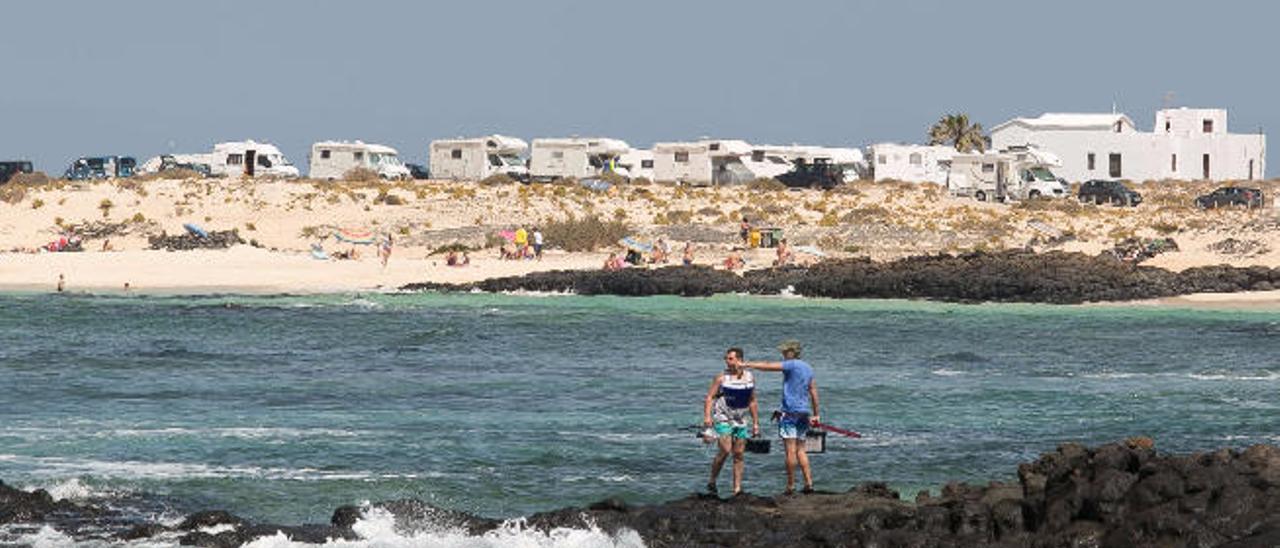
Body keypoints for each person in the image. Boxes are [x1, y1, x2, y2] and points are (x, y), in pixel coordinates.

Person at [743, 340, 820, 495]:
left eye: (784, 352)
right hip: (804, 413)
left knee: (790, 452)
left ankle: (790, 486)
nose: (783, 355)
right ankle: (808, 484)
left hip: (789, 413)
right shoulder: (808, 368)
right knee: (801, 451)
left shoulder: (791, 364)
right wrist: (816, 414)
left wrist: (747, 364)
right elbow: (813, 392)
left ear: (791, 352)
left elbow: (768, 366)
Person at [703, 347, 759, 496]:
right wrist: (707, 418)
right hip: (723, 418)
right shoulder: (721, 378)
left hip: (740, 420)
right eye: (726, 359)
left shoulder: (750, 377)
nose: (727, 361)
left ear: (740, 360)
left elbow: (752, 401)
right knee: (725, 451)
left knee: (739, 454)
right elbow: (709, 397)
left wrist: (755, 424)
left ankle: (737, 489)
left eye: (730, 358)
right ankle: (712, 480)